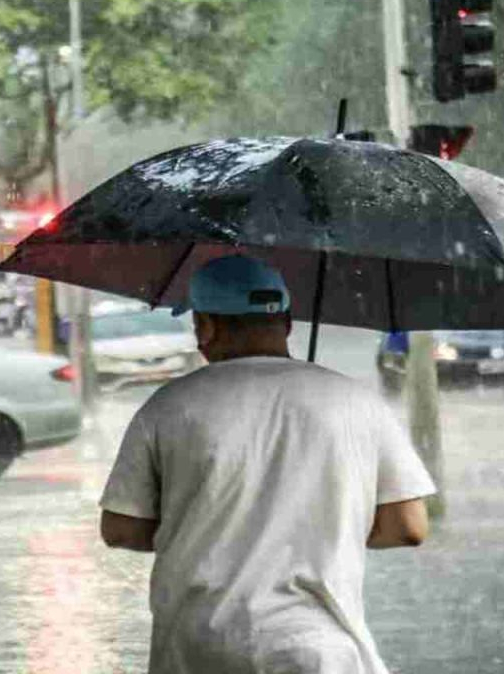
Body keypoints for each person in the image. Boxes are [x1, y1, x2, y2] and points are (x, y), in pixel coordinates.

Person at [99, 254, 437, 674]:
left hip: (199, 649)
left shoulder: (169, 407)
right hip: (317, 651)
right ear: (288, 323)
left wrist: (204, 525)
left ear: (206, 326)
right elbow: (408, 527)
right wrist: (324, 524)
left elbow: (120, 529)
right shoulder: (358, 403)